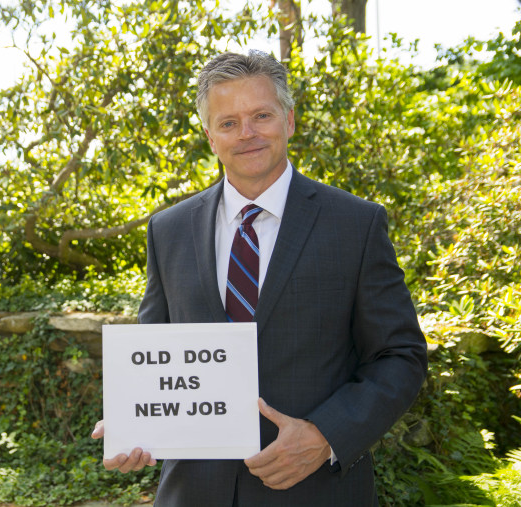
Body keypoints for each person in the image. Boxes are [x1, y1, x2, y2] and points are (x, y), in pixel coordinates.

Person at [91, 50, 427, 506]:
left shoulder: (356, 225)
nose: (246, 134)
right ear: (210, 136)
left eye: (261, 116)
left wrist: (326, 435)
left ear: (288, 121)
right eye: (228, 123)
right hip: (194, 493)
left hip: (315, 492)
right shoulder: (168, 230)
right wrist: (136, 420)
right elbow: (158, 353)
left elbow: (399, 355)